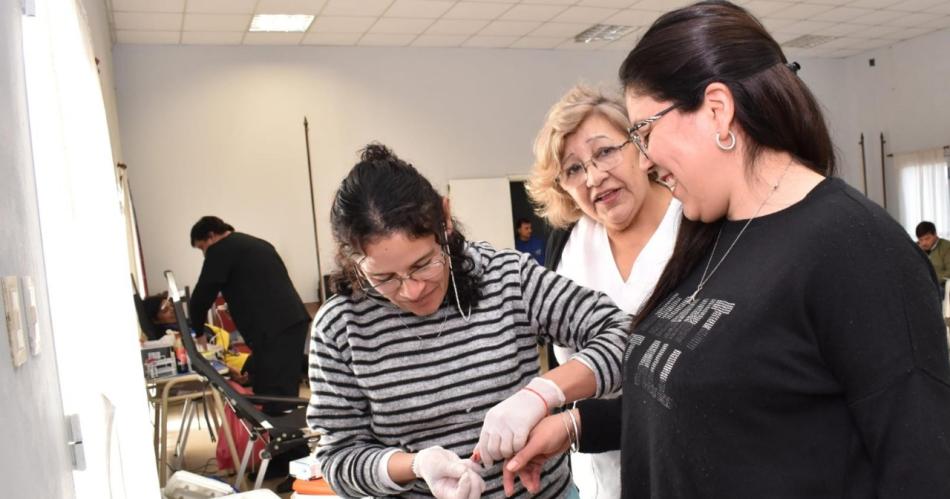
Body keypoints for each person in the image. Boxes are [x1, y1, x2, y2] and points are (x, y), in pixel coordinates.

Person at [505, 2, 950, 498]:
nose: (646, 161)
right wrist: (574, 426)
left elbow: (922, 468)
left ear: (717, 110)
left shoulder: (857, 251)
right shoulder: (711, 233)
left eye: (644, 133)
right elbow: (700, 399)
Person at [306, 144, 630, 498]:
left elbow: (625, 337)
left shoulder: (507, 278)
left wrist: (543, 393)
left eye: (422, 264)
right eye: (384, 278)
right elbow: (338, 458)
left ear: (444, 220)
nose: (412, 290)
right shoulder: (340, 327)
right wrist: (414, 465)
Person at [526, 85, 681, 499]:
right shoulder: (568, 244)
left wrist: (576, 423)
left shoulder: (694, 227)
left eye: (605, 152)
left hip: (685, 469)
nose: (594, 177)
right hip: (598, 478)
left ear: (641, 148)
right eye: (573, 169)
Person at [188, 216, 310, 407]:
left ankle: (281, 431)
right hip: (289, 321)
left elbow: (202, 295)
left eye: (202, 247)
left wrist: (198, 331)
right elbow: (260, 285)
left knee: (274, 392)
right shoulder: (254, 243)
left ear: (211, 236)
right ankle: (282, 429)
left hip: (274, 328)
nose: (204, 254)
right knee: (276, 380)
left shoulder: (220, 250)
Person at [916, 221, 950, 289]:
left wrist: (931, 280)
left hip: (941, 286)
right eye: (921, 240)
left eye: (927, 238)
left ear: (935, 234)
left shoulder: (947, 247)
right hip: (920, 285)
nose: (924, 243)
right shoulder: (916, 247)